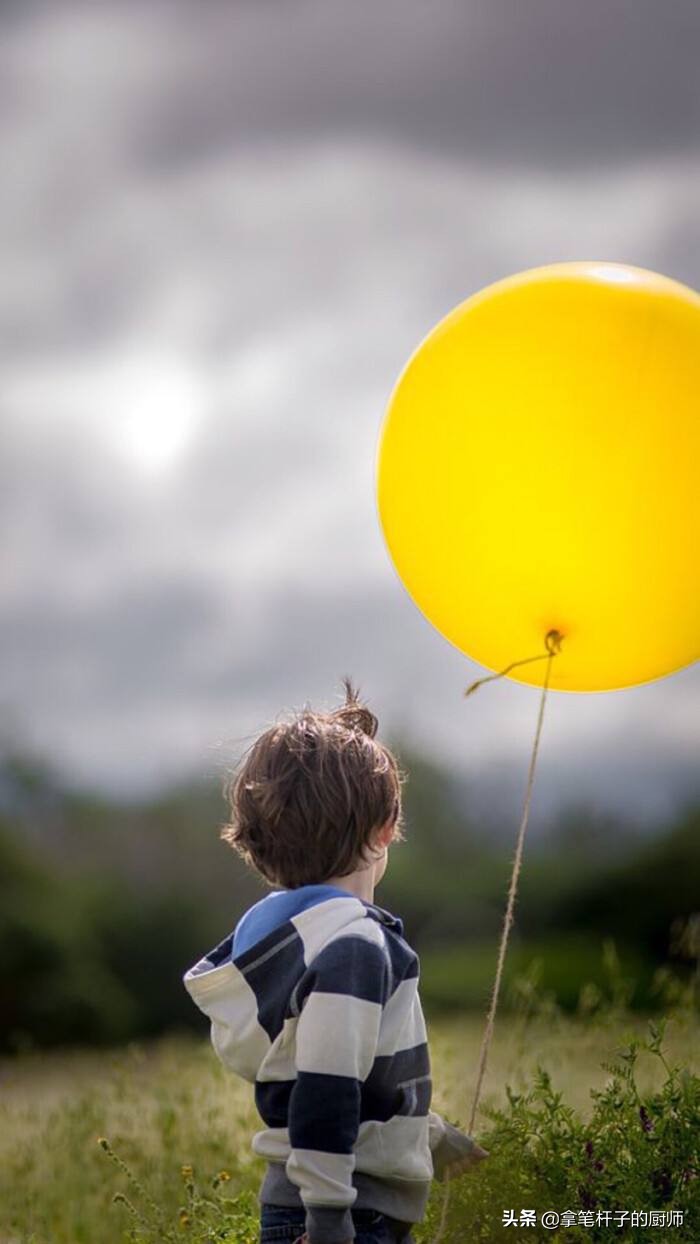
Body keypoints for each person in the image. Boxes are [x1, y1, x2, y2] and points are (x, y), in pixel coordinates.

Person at [183, 679, 487, 1244]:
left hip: (309, 1202)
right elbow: (325, 1091)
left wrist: (428, 1134)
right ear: (386, 829)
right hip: (347, 1215)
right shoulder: (353, 947)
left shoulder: (281, 938)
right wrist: (328, 1220)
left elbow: (340, 1078)